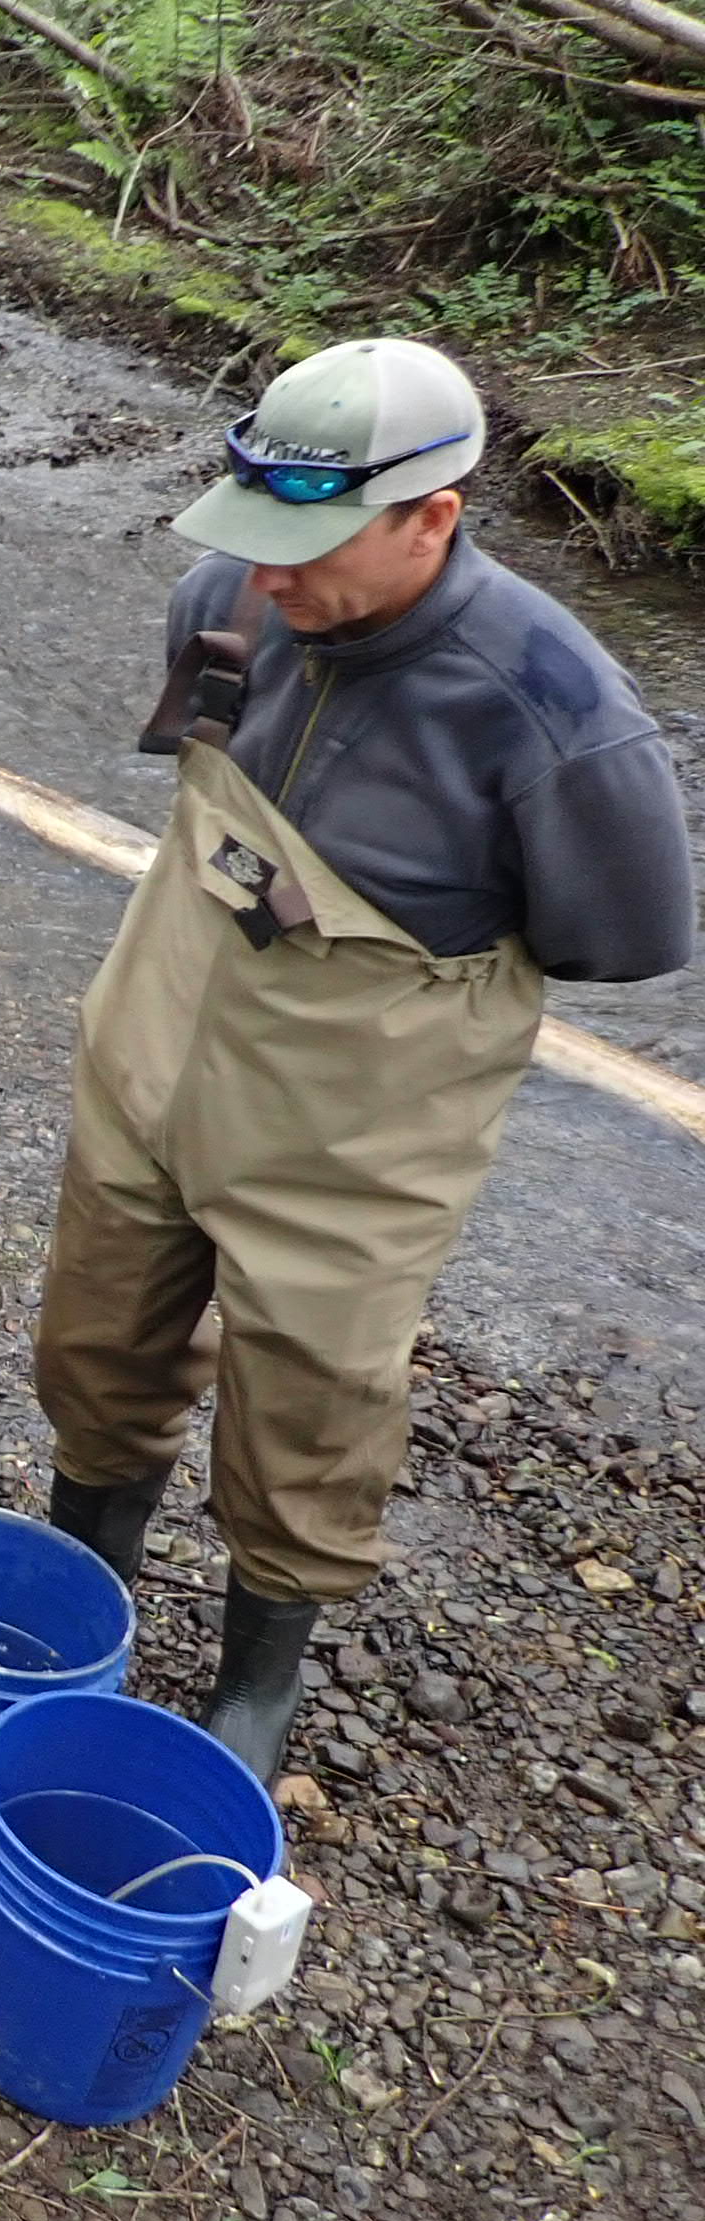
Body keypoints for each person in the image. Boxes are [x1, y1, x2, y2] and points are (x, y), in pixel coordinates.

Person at [38, 337, 694, 1780]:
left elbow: (625, 941)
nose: (272, 583)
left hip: (352, 1140)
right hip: (156, 1050)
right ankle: (87, 1577)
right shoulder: (229, 593)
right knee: (96, 1341)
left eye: (312, 550)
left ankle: (257, 1678)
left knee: (309, 1415)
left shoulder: (559, 720)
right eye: (254, 541)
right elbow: (196, 753)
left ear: (434, 518)